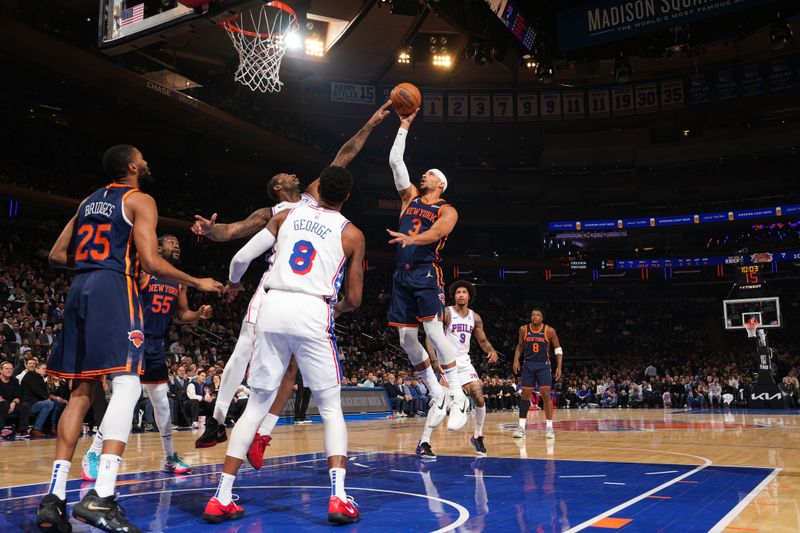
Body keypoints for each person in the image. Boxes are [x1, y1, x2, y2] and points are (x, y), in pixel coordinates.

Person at [36, 144, 223, 533]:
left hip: (79, 289)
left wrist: (93, 263)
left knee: (81, 392)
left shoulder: (87, 202)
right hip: (113, 289)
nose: (147, 161)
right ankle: (101, 496)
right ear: (132, 166)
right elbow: (152, 262)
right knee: (127, 385)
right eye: (143, 157)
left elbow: (55, 254)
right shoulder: (139, 199)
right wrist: (197, 281)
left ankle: (53, 498)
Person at [192, 103, 391, 463]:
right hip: (277, 289)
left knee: (293, 369)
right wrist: (210, 230)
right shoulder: (274, 213)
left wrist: (370, 124)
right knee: (245, 348)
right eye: (285, 175)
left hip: (305, 297)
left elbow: (344, 157)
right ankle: (218, 420)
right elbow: (231, 232)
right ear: (278, 187)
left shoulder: (315, 195)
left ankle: (262, 433)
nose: (294, 174)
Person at [202, 166, 365, 525]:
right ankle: (338, 498)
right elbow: (354, 299)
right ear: (347, 196)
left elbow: (240, 259)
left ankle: (221, 497)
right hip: (313, 308)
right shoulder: (352, 233)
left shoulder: (287, 216)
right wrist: (335, 308)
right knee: (330, 408)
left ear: (318, 189)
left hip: (273, 306)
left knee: (256, 404)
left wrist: (233, 283)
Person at [81, 234, 212, 481]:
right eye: (171, 242)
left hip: (155, 344)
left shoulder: (179, 280)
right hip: (133, 338)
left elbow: (181, 314)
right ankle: (94, 452)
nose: (177, 245)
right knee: (125, 399)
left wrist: (198, 314)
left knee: (162, 403)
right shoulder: (143, 270)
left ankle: (170, 456)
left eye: (178, 242)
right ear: (157, 247)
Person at [385, 108, 469, 433]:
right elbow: (395, 161)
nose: (424, 176)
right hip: (401, 274)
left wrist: (412, 238)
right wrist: (404, 125)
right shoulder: (409, 197)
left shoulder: (448, 209)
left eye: (430, 174)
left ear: (441, 183)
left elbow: (437, 233)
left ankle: (457, 396)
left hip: (426, 272)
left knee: (434, 332)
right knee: (406, 339)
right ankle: (437, 392)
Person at [417, 280, 498, 460]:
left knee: (478, 392)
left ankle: (478, 436)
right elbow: (431, 337)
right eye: (458, 292)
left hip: (464, 362)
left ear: (469, 296)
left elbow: (483, 341)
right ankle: (424, 442)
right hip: (446, 362)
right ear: (453, 296)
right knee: (441, 400)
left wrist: (491, 350)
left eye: (464, 292)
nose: (461, 295)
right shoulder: (446, 312)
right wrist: (434, 359)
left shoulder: (475, 317)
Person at [512, 308, 563, 440]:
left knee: (546, 394)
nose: (535, 317)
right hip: (528, 365)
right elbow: (520, 346)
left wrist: (559, 367)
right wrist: (516, 360)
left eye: (538, 315)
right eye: (533, 315)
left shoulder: (549, 330)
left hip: (543, 365)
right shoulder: (523, 329)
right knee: (525, 395)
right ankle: (521, 427)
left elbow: (558, 349)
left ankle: (549, 427)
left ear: (542, 318)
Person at [0, 360, 31, 438]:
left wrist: (13, 403)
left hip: (11, 405)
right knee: (4, 404)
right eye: (7, 368)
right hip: (2, 405)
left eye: (11, 369)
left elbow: (18, 396)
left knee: (25, 405)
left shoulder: (15, 381)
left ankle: (21, 431)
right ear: (1, 370)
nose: (9, 370)